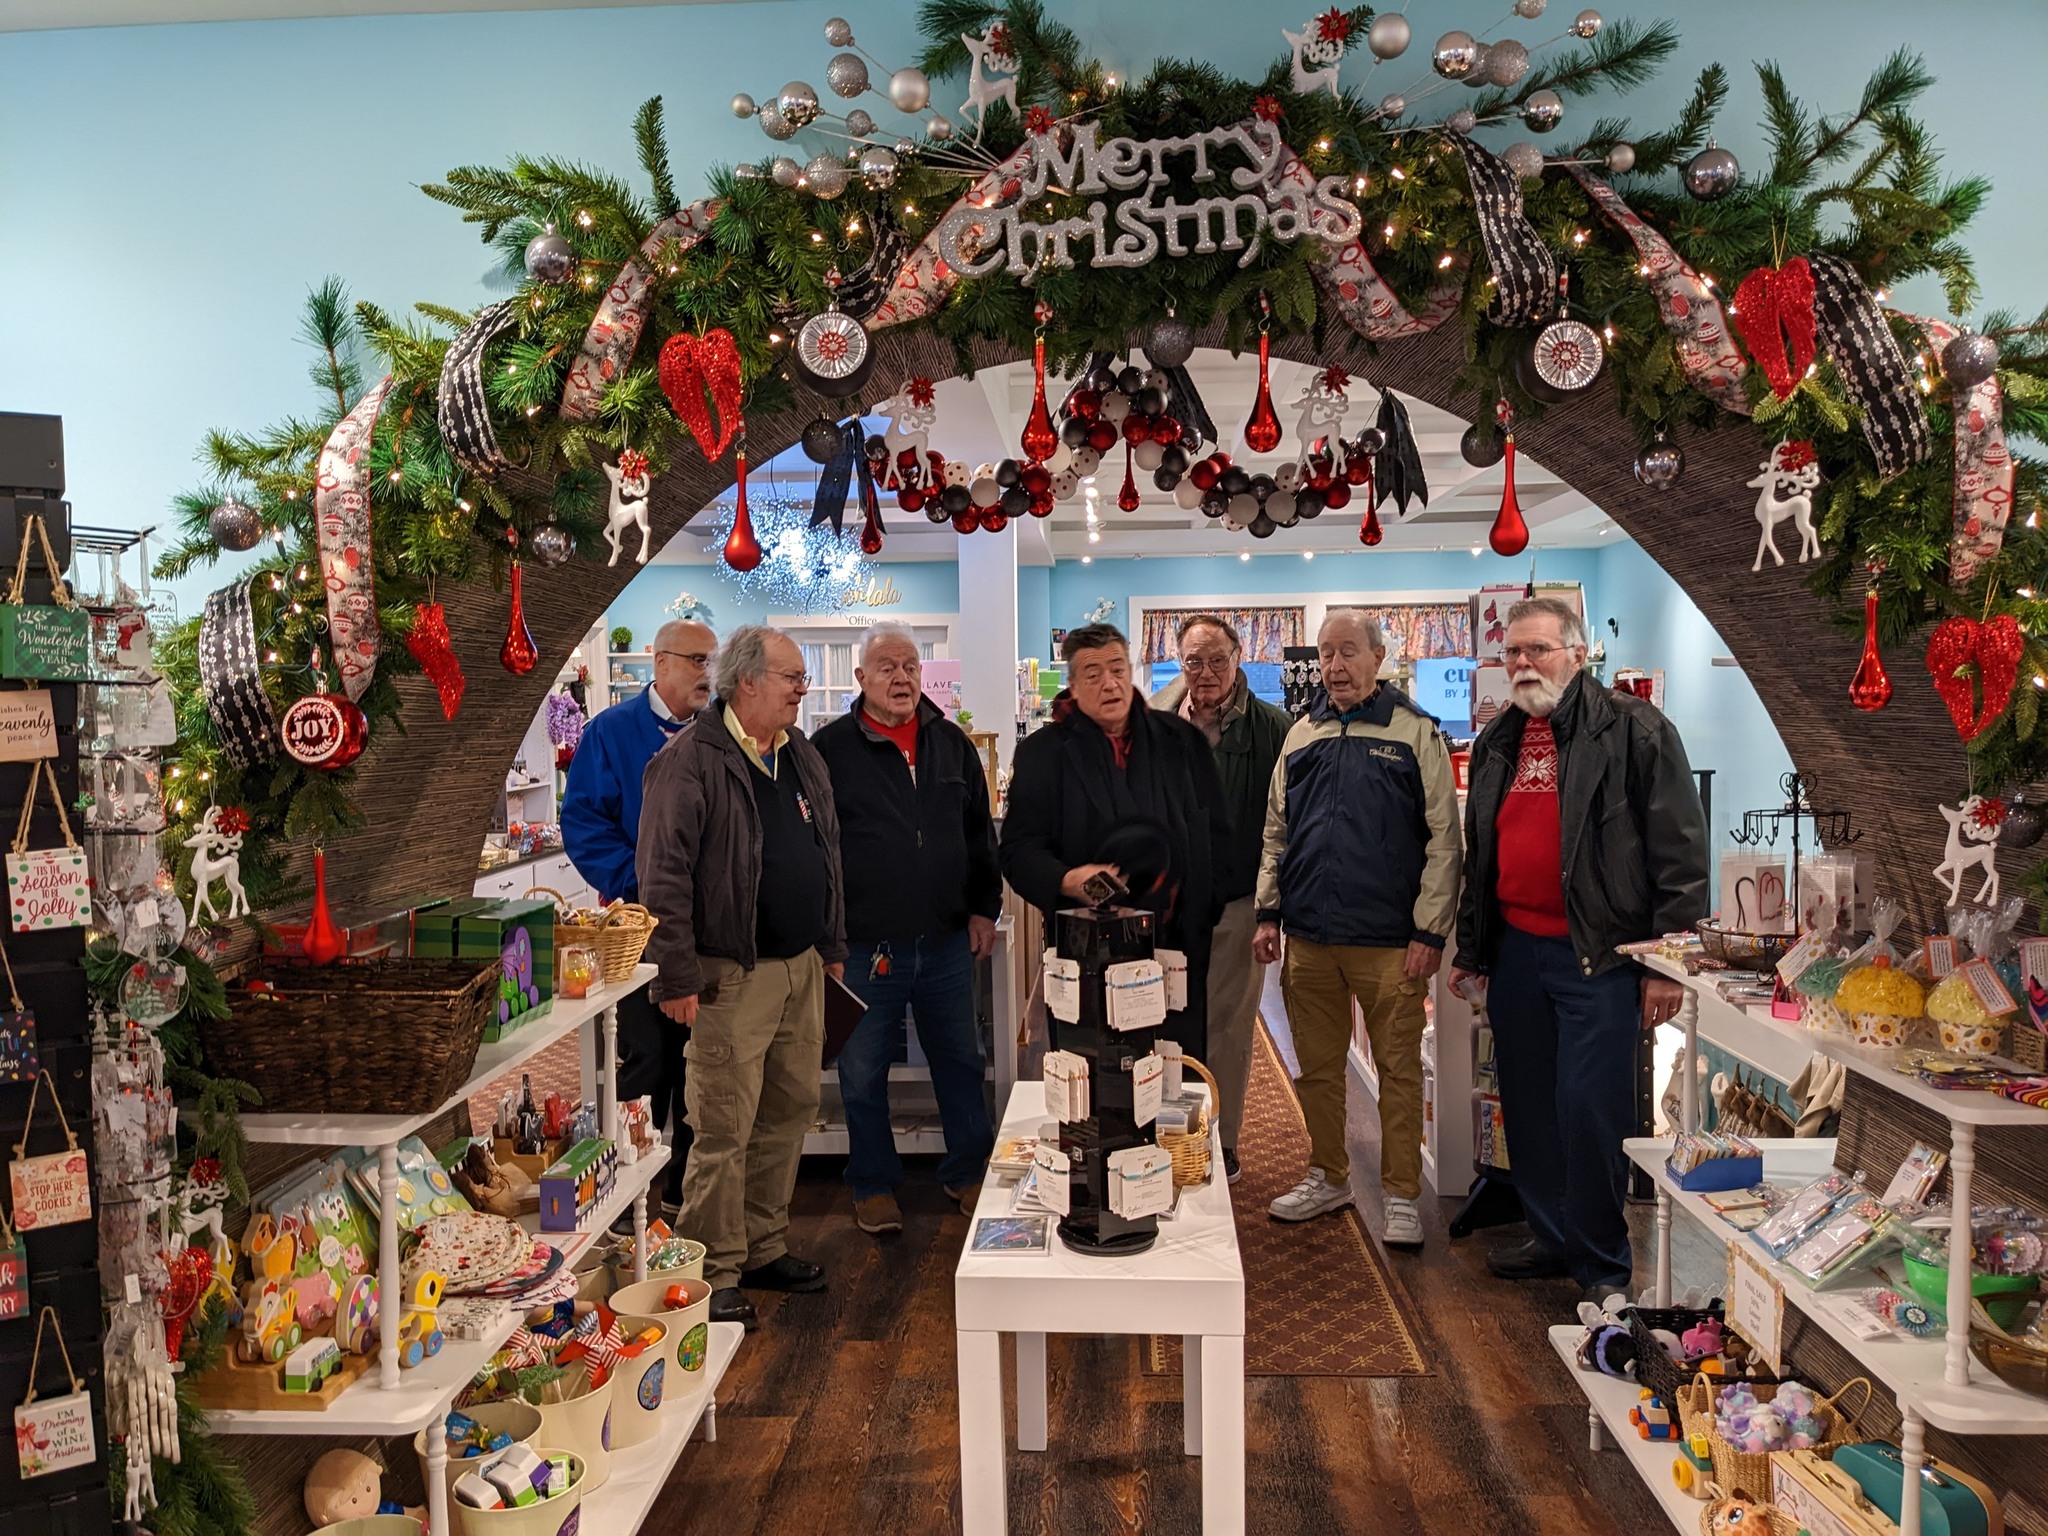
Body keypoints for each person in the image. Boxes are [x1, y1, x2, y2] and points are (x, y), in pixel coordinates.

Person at [1450, 596, 1709, 1308]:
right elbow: (1483, 858)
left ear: (1577, 653)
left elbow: (1681, 852)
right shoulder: (1499, 738)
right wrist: (1473, 949)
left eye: (1538, 649)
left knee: (1591, 1107)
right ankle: (1550, 1236)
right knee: (1528, 1104)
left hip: (1599, 956)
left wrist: (1667, 963)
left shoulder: (1634, 730)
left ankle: (1599, 1260)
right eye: (1513, 652)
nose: (1523, 663)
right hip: (1517, 953)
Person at [636, 625, 847, 1329]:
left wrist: (831, 943)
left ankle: (762, 1246)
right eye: (792, 677)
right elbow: (661, 877)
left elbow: (827, 853)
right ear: (747, 681)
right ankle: (712, 1270)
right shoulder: (688, 761)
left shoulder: (799, 752)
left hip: (800, 969)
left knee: (788, 1112)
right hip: (730, 976)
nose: (802, 688)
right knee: (723, 1126)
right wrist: (675, 977)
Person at [1253, 611, 1461, 1247]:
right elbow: (1276, 832)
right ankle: (1328, 1175)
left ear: (1378, 658)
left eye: (1348, 652)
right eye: (1326, 654)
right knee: (1316, 1069)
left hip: (1390, 943)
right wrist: (1268, 911)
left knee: (1398, 1071)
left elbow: (1444, 840)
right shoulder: (1301, 734)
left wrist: (1429, 931)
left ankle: (1401, 1195)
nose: (1335, 666)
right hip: (1309, 939)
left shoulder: (1414, 732)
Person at [813, 625, 1001, 1233]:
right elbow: (815, 847)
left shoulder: (951, 743)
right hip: (865, 946)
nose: (901, 677)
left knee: (961, 1061)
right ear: (861, 678)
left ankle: (966, 1171)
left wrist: (984, 908)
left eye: (910, 666)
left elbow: (980, 834)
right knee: (861, 1070)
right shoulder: (829, 749)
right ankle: (872, 1184)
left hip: (946, 941)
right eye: (887, 666)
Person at [1000, 622, 1230, 1059]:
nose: (1109, 683)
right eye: (1093, 673)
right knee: (1088, 1077)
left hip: (1175, 947)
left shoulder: (1180, 741)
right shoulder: (1043, 753)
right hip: (1085, 947)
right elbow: (1017, 850)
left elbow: (1215, 834)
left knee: (1174, 1071)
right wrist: (1066, 879)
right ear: (1073, 685)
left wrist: (1204, 912)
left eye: (1118, 669)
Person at [559, 618, 715, 1218]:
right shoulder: (611, 732)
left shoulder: (720, 735)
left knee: (702, 1065)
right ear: (661, 662)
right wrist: (644, 880)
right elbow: (584, 825)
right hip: (636, 932)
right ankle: (625, 1196)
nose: (708, 674)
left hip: (708, 933)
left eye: (713, 661)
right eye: (697, 661)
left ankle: (686, 1192)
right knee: (646, 1061)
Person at [1151, 614, 1290, 1185]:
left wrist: (1270, 909)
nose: (1205, 672)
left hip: (1238, 903)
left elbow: (1284, 826)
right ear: (1179, 664)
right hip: (1165, 907)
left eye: (1216, 660)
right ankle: (1167, 1135)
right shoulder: (1156, 725)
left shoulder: (1274, 730)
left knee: (1228, 1028)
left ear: (1238, 660)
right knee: (1161, 1023)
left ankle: (1221, 1141)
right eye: (1193, 661)